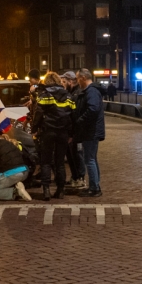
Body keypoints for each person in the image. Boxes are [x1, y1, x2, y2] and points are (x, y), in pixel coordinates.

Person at [31, 71, 74, 201]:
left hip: (48, 131)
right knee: (60, 162)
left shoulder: (45, 95)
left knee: (46, 162)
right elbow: (72, 115)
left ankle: (46, 191)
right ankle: (60, 190)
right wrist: (71, 133)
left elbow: (38, 113)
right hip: (63, 132)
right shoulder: (68, 96)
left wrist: (34, 129)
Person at [74, 68, 105, 197]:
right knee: (92, 158)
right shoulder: (92, 91)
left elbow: (92, 109)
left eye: (77, 79)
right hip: (92, 130)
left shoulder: (91, 92)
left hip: (91, 131)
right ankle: (95, 185)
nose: (77, 82)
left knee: (89, 159)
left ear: (82, 78)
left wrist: (80, 120)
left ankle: (94, 188)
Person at [61, 71, 86, 189]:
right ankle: (75, 177)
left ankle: (80, 178)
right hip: (73, 131)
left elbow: (74, 114)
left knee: (77, 155)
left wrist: (72, 132)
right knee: (72, 155)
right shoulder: (73, 93)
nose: (63, 84)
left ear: (71, 81)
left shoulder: (76, 94)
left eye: (65, 81)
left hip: (76, 132)